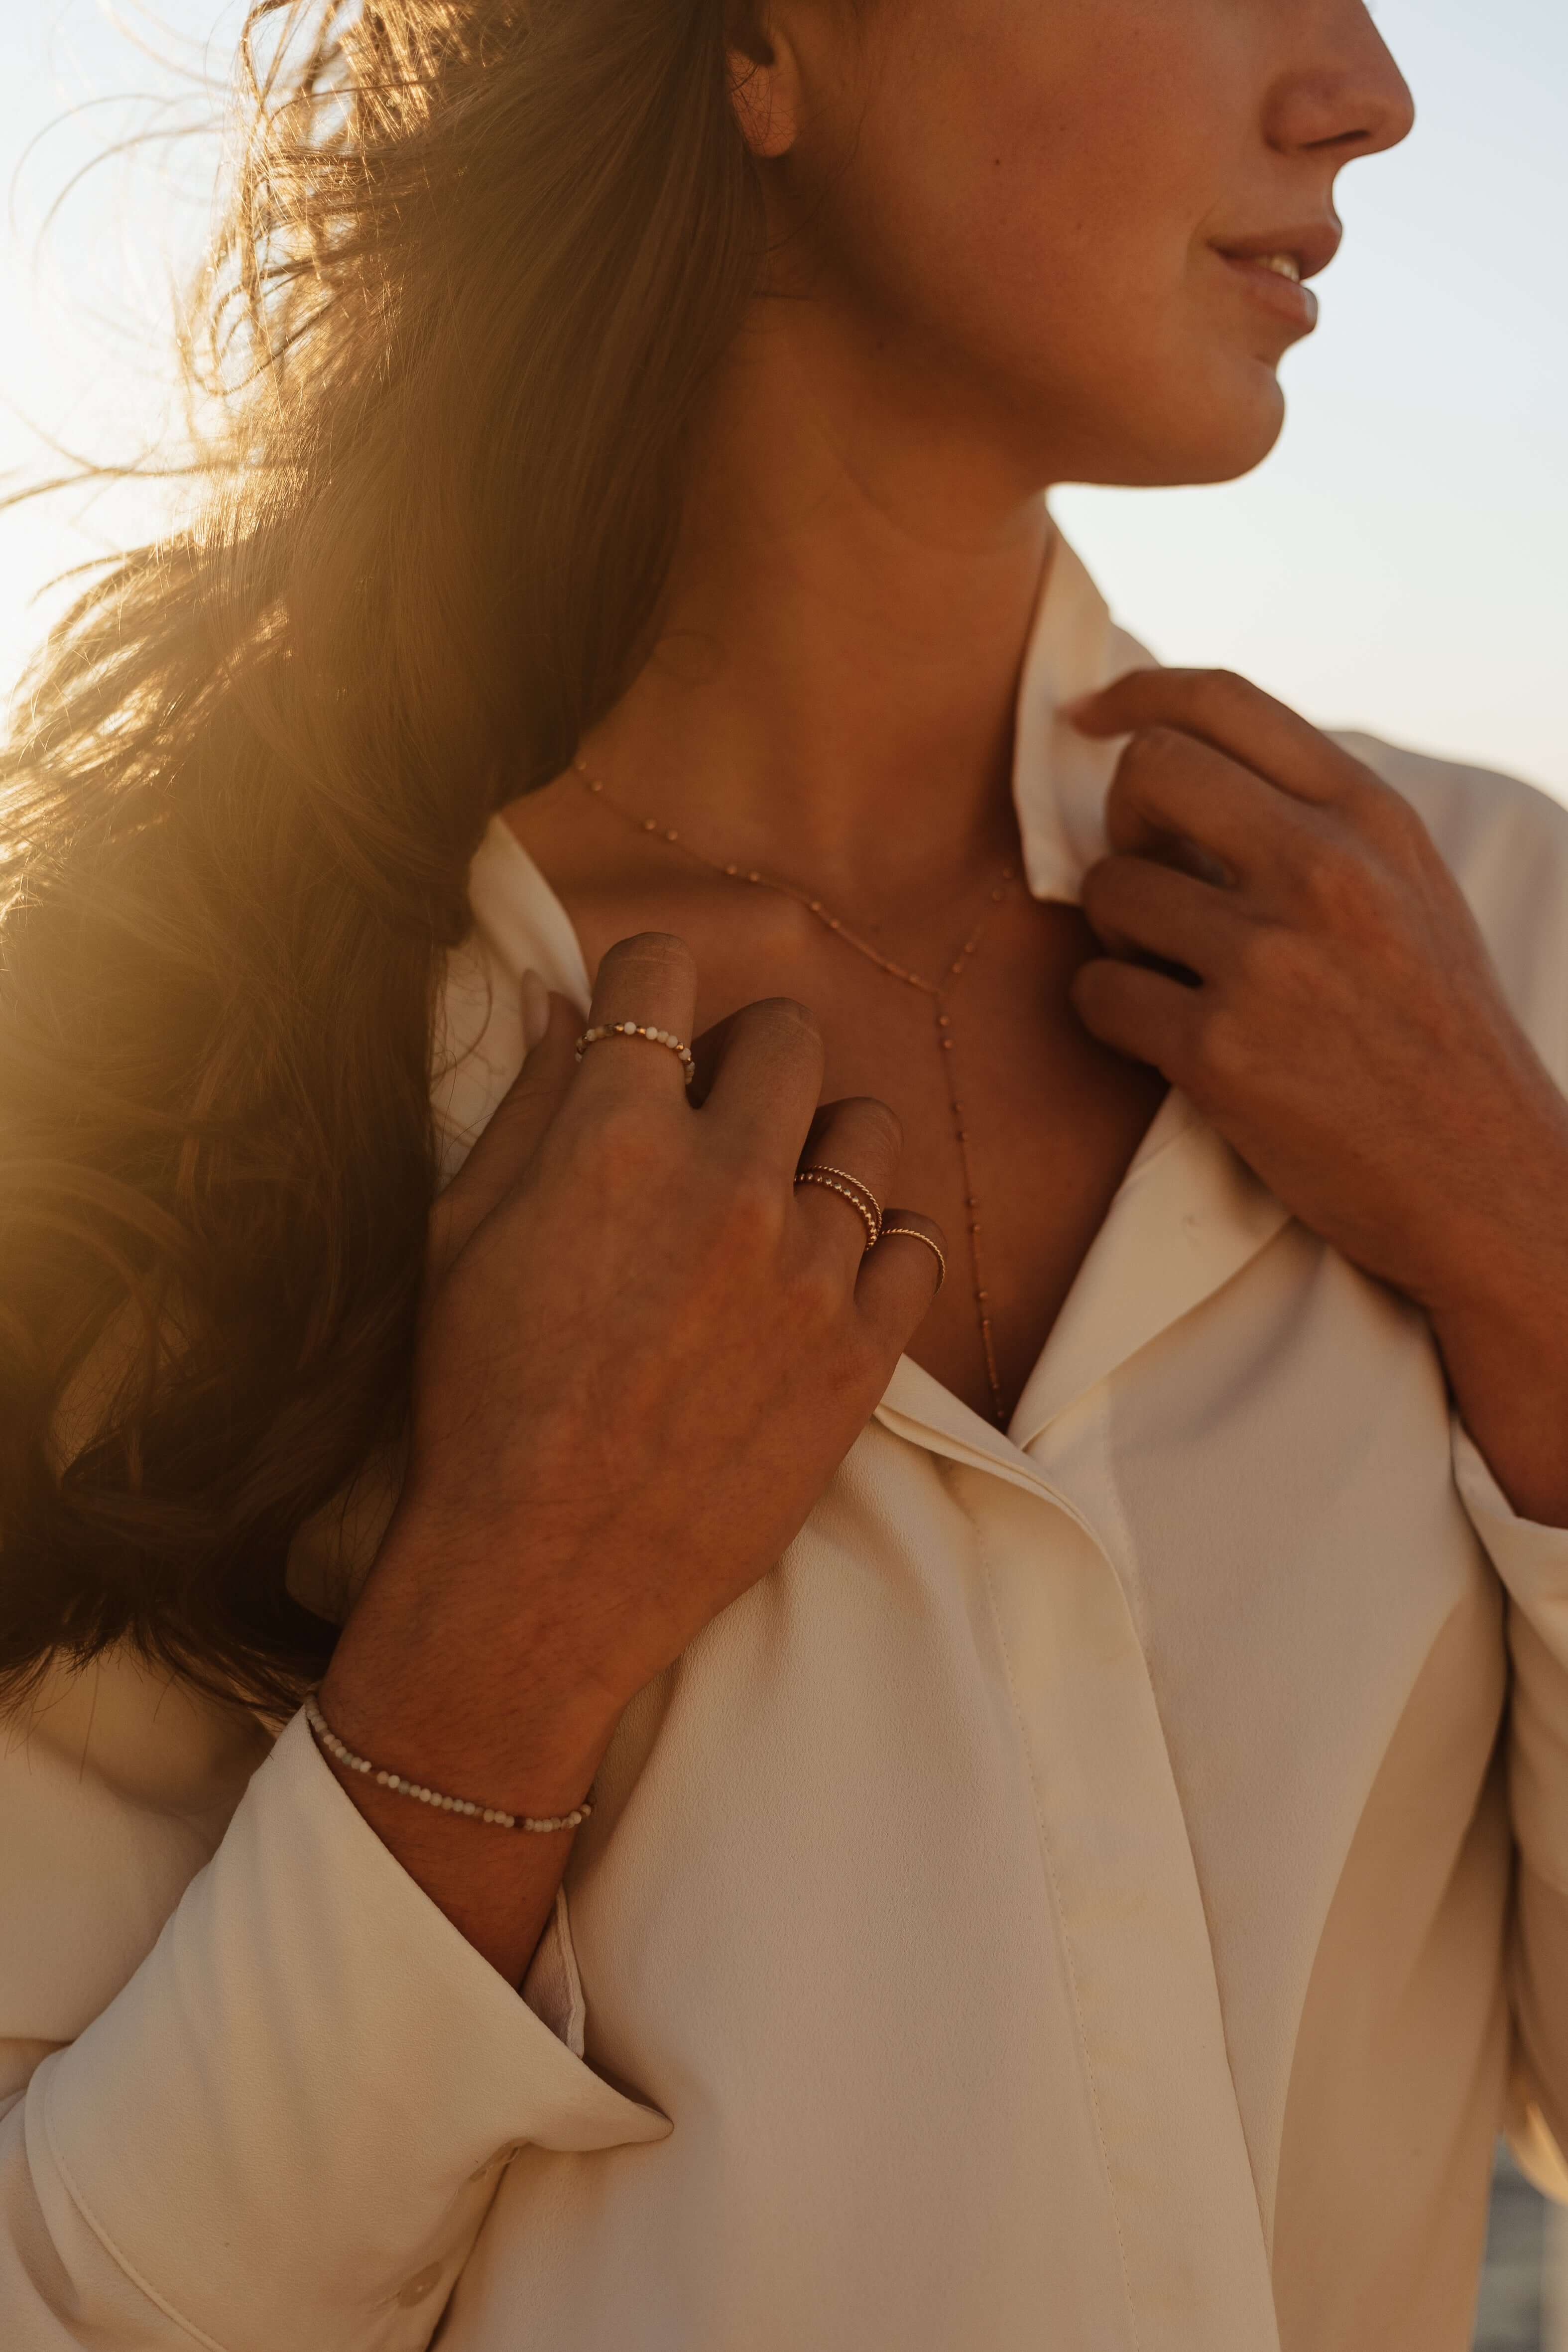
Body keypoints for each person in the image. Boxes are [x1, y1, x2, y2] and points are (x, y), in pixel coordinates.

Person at [3, 0, 1567, 2344]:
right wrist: (486, 1664)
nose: (1364, 84)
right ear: (760, 41)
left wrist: (1531, 1270)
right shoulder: (167, 1094)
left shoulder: (1489, 944)